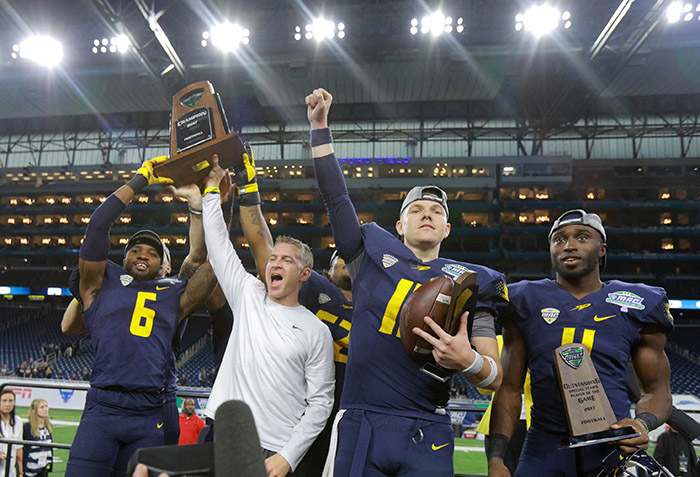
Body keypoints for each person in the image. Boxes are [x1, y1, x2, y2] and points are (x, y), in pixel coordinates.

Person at [306, 88, 507, 477]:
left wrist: (468, 361)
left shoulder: (473, 282)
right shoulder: (369, 254)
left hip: (427, 425)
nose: (426, 215)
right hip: (362, 417)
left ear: (447, 228)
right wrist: (319, 128)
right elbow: (335, 197)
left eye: (435, 211)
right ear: (400, 226)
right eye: (416, 210)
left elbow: (494, 378)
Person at [488, 209, 674, 476]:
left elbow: (657, 390)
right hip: (544, 444)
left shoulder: (636, 303)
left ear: (602, 249)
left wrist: (642, 423)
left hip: (613, 444)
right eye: (559, 239)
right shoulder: (524, 299)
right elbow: (508, 389)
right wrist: (497, 458)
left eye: (582, 237)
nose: (569, 245)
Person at [64, 157, 218, 477]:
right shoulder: (103, 284)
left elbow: (209, 263)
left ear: (164, 265)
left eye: (152, 252)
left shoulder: (173, 292)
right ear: (122, 259)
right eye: (135, 250)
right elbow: (97, 227)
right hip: (103, 406)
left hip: (150, 410)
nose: (143, 255)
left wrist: (206, 200)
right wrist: (140, 180)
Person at [201, 155, 335, 477]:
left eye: (286, 261)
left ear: (304, 275)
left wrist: (288, 456)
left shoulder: (316, 331)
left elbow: (321, 403)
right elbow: (219, 247)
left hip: (273, 449)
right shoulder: (248, 295)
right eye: (273, 258)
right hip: (222, 431)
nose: (275, 263)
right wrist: (209, 193)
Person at [228, 146, 353, 474]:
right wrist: (248, 188)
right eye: (340, 255)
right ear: (318, 271)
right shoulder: (315, 290)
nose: (347, 259)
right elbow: (263, 247)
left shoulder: (382, 303)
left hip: (351, 417)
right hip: (300, 417)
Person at [22, 399, 52, 477]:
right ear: (34, 410)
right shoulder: (27, 427)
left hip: (44, 468)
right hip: (30, 470)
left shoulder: (48, 427)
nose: (46, 409)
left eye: (46, 406)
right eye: (42, 407)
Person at [0, 389, 23, 477]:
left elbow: (19, 449)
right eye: (4, 401)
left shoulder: (17, 421)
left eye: (10, 401)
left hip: (10, 471)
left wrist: (20, 472)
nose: (7, 404)